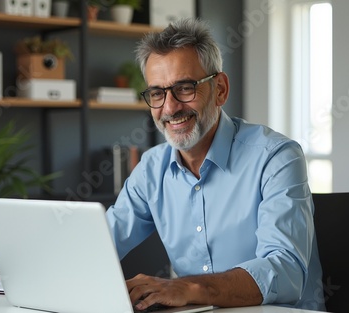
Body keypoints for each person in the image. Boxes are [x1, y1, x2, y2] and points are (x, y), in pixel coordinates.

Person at [105, 18, 325, 311]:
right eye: (157, 93)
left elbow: (285, 272)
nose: (170, 108)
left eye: (185, 88)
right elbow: (100, 243)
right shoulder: (151, 168)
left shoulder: (277, 157)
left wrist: (187, 288)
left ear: (220, 89)